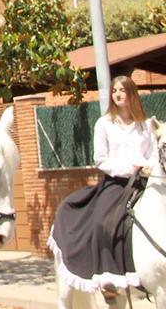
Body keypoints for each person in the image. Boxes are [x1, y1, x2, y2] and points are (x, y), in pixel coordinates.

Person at [49, 75, 157, 302]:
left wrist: (147, 167)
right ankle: (109, 278)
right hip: (117, 183)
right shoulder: (104, 124)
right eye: (115, 90)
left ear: (132, 94)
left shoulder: (145, 125)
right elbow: (101, 159)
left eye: (122, 90)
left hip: (145, 181)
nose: (117, 94)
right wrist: (129, 169)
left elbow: (153, 153)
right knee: (102, 223)